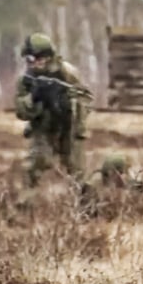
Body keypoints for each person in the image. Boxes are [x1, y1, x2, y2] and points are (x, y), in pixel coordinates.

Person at [14, 33, 93, 205]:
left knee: (77, 172)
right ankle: (23, 209)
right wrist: (34, 99)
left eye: (37, 58)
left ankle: (87, 210)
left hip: (70, 128)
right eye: (29, 59)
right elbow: (21, 112)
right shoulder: (26, 80)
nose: (34, 63)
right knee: (32, 170)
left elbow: (87, 99)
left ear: (48, 57)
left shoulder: (67, 73)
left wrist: (67, 103)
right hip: (42, 128)